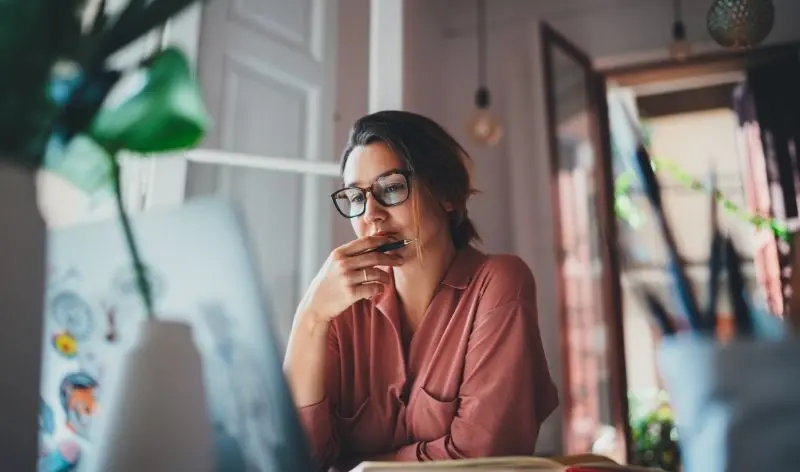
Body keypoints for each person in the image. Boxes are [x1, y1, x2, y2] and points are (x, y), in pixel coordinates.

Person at [283, 110, 559, 471]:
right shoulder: (339, 308)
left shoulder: (499, 283)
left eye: (392, 188)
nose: (371, 215)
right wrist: (310, 317)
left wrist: (355, 466)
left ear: (446, 193)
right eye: (355, 197)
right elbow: (294, 461)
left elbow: (482, 459)